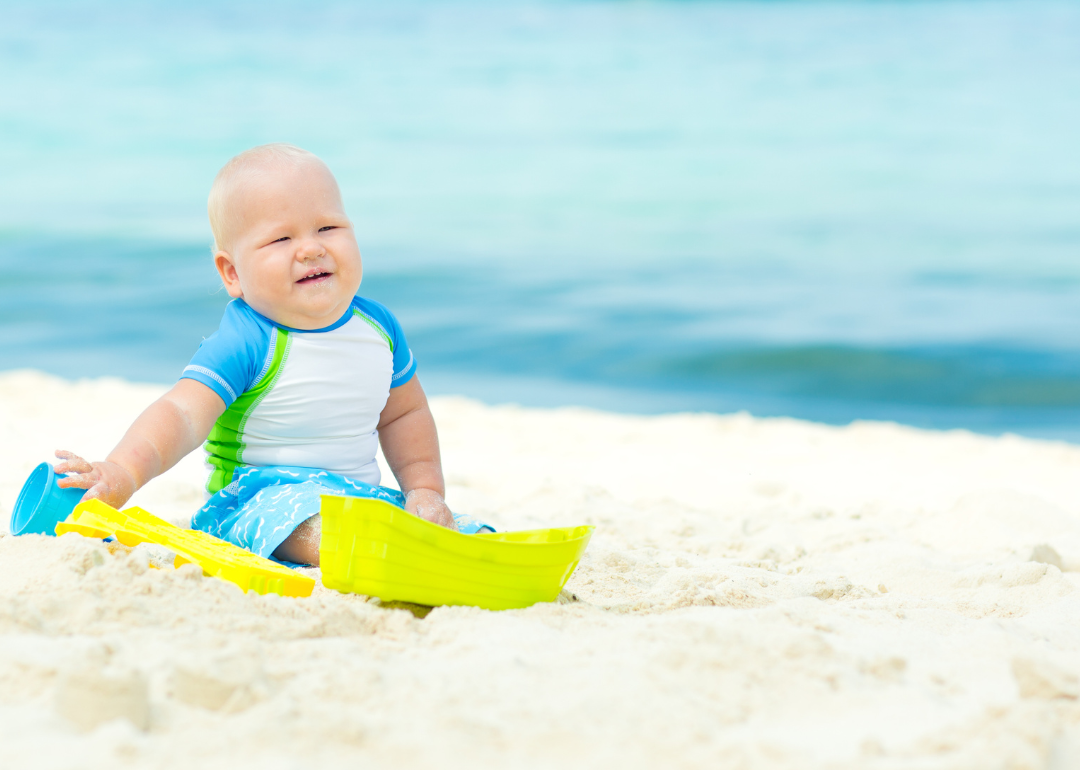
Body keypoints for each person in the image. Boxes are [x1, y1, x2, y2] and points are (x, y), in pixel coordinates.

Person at [54, 143, 490, 567]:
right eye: (281, 238)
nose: (312, 248)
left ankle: (426, 546)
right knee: (306, 519)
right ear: (232, 272)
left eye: (328, 228)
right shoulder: (248, 339)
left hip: (356, 499)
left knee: (454, 526)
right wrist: (121, 472)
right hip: (254, 501)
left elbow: (404, 415)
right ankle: (360, 545)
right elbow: (181, 415)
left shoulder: (378, 329)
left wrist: (425, 491)